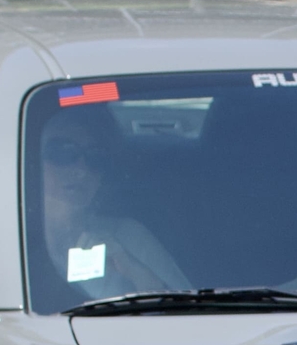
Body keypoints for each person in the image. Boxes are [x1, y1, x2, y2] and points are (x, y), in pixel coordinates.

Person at [35, 105, 188, 300]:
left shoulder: (130, 237)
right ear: (34, 159)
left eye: (96, 157)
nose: (81, 170)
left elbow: (190, 313)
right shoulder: (8, 243)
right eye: (64, 153)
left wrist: (133, 269)